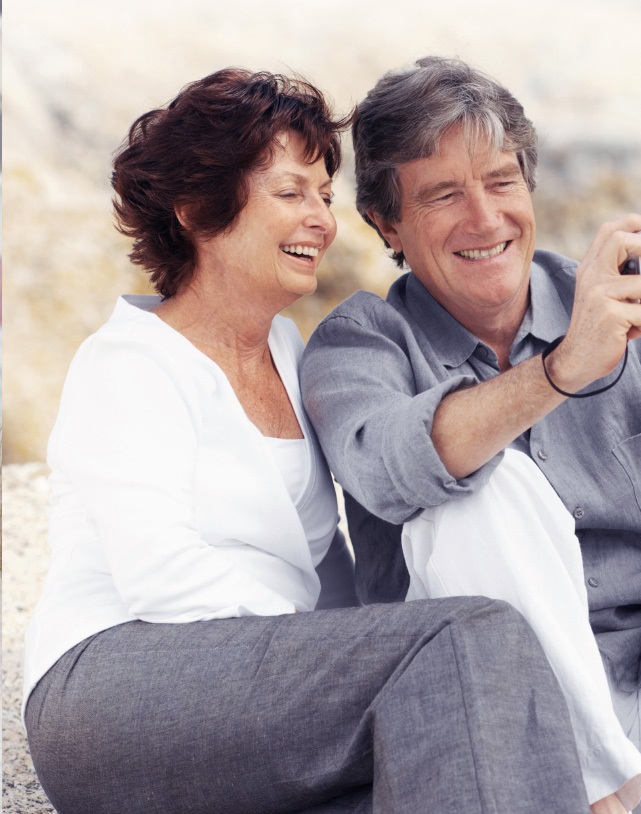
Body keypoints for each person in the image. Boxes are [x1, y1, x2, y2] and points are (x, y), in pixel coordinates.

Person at [300, 56, 641, 814]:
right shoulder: (360, 342)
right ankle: (597, 802)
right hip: (503, 746)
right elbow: (387, 472)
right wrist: (563, 369)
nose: (485, 218)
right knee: (480, 484)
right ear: (386, 223)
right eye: (444, 194)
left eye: (501, 181)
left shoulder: (623, 301)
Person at [22, 67, 594, 814]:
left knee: (449, 746)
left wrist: (355, 660)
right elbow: (160, 574)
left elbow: (330, 568)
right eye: (292, 193)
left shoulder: (292, 357)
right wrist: (337, 656)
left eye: (325, 196)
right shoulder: (132, 360)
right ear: (198, 208)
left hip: (255, 700)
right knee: (464, 638)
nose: (322, 219)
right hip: (113, 689)